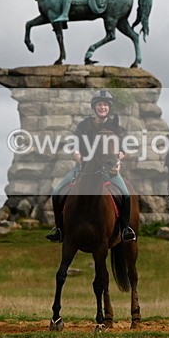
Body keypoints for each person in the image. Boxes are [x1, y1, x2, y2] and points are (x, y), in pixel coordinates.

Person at [46, 90, 136, 243]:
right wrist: (76, 153)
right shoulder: (84, 125)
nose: (103, 107)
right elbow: (74, 145)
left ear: (109, 107)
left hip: (109, 170)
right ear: (94, 107)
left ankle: (125, 229)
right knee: (57, 193)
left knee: (126, 195)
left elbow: (123, 149)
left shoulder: (115, 126)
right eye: (100, 104)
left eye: (105, 105)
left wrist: (119, 157)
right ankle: (60, 229)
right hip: (82, 168)